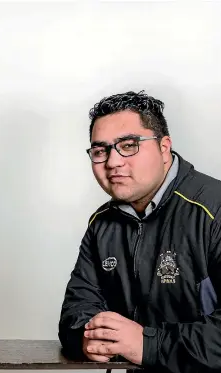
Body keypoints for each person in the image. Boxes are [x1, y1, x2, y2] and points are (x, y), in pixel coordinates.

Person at [58, 91, 221, 373]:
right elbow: (76, 310)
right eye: (100, 151)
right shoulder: (102, 223)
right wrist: (88, 337)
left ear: (164, 147)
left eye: (129, 145)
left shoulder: (213, 211)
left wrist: (148, 345)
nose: (112, 162)